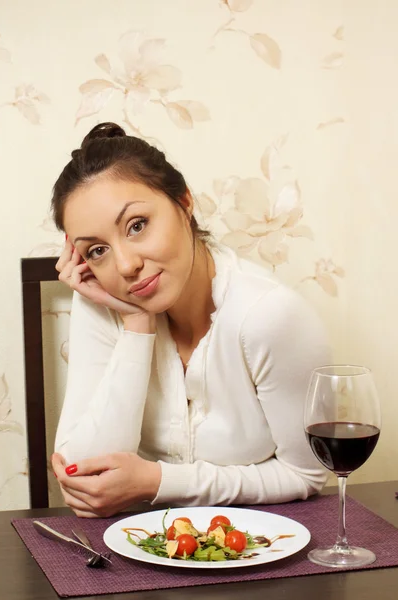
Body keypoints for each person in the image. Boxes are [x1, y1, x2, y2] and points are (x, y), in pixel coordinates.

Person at [50, 122, 330, 518]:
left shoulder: (268, 317)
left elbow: (305, 475)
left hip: (260, 551)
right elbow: (87, 483)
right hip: (140, 552)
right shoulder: (103, 303)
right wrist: (137, 324)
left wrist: (157, 482)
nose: (126, 265)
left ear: (183, 202)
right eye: (97, 250)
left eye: (137, 225)